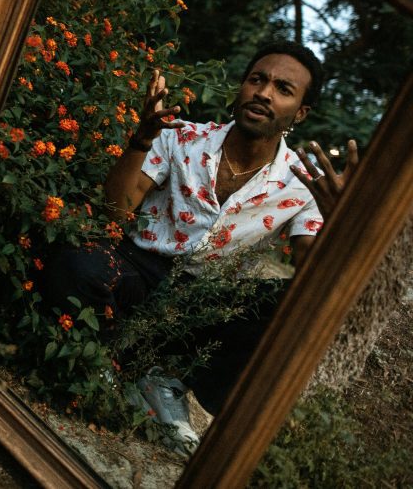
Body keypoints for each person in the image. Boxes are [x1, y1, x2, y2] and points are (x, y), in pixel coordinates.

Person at [42, 41, 358, 451]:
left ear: (300, 113)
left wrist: (337, 226)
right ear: (242, 87)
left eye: (283, 88)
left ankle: (165, 381)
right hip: (137, 275)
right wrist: (140, 140)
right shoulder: (183, 137)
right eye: (257, 80)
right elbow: (115, 213)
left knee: (288, 304)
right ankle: (101, 366)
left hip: (204, 307)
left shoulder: (301, 184)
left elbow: (310, 275)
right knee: (79, 262)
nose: (263, 92)